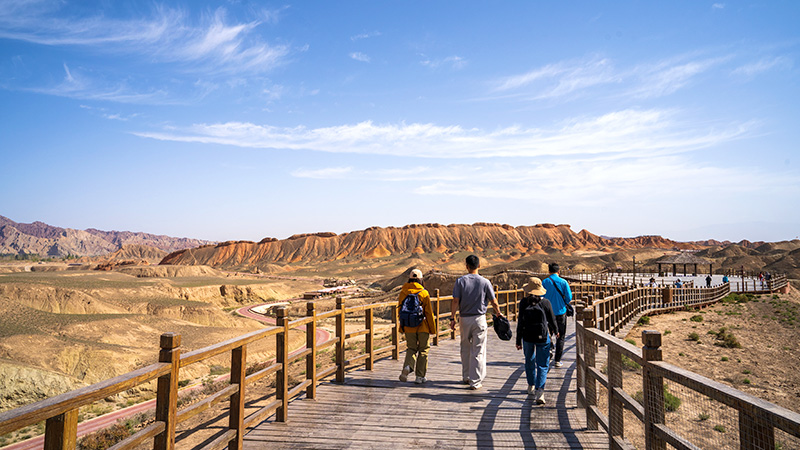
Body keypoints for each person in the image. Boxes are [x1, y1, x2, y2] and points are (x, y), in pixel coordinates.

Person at [451, 255, 503, 390]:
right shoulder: (485, 282)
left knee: (465, 347)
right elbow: (493, 301)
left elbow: (455, 301)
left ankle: (466, 376)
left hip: (464, 318)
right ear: (479, 266)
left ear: (466, 266)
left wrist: (452, 318)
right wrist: (498, 313)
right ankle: (476, 381)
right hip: (479, 318)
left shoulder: (460, 281)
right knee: (478, 350)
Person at [516, 277, 558, 405]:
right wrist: (556, 331)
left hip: (527, 337)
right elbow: (552, 320)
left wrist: (518, 340)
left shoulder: (523, 302)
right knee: (543, 364)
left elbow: (520, 322)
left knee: (529, 360)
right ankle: (540, 391)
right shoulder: (545, 302)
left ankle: (531, 385)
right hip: (543, 337)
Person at [398, 269, 436, 384]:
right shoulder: (424, 293)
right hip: (422, 326)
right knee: (423, 350)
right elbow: (429, 312)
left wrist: (402, 327)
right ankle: (420, 376)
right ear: (420, 279)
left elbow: (400, 310)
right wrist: (432, 329)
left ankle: (408, 367)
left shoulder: (403, 291)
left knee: (411, 348)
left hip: (409, 326)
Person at [541, 263, 572, 368]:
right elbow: (569, 297)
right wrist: (562, 303)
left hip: (547, 314)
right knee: (561, 337)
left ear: (549, 272)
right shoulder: (563, 282)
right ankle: (557, 361)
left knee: (547, 335)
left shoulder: (544, 282)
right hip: (560, 313)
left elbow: (541, 296)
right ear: (558, 272)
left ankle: (549, 350)